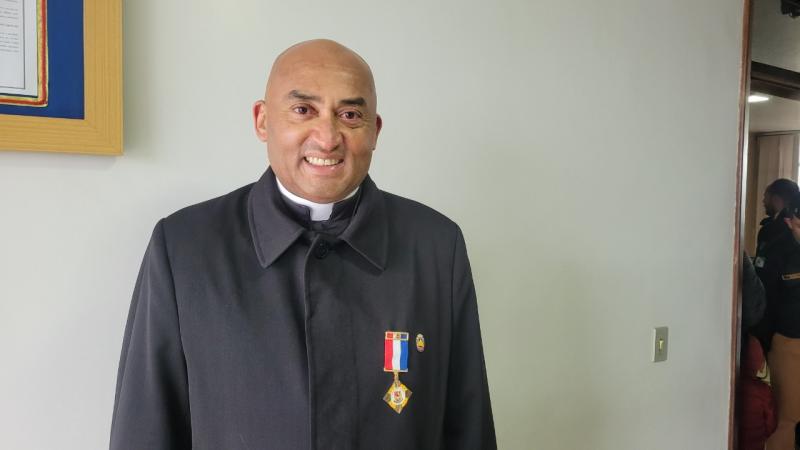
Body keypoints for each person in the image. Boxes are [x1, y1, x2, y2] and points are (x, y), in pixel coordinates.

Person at [109, 39, 496, 450]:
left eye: (350, 115)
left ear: (375, 130)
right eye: (303, 110)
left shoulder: (437, 247)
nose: (327, 138)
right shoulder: (184, 247)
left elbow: (468, 427)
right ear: (262, 121)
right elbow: (145, 430)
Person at [764, 192, 800, 450]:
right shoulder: (777, 250)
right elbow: (767, 303)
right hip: (789, 342)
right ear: (790, 220)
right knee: (789, 419)